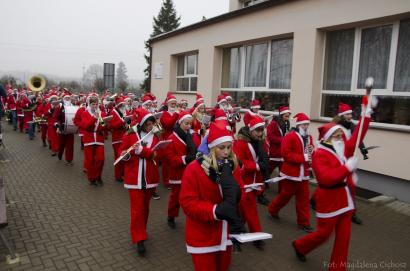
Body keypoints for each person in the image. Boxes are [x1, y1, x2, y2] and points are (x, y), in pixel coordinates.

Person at [292, 112, 371, 270]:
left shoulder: (341, 147)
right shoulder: (319, 154)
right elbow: (325, 178)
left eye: (341, 135)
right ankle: (300, 246)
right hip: (328, 199)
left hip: (344, 200)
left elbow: (357, 136)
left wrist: (366, 115)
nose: (341, 138)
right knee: (323, 235)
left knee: (344, 239)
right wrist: (347, 168)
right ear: (327, 138)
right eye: (336, 135)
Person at [180, 121, 245, 271]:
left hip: (226, 234)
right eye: (221, 148)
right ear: (212, 147)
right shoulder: (193, 169)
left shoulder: (232, 167)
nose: (226, 152)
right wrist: (215, 210)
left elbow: (242, 193)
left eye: (229, 147)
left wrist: (235, 195)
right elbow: (188, 203)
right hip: (203, 236)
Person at [120, 108, 160, 255]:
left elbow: (156, 155)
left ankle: (141, 230)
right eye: (148, 124)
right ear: (142, 124)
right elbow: (123, 152)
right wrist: (125, 155)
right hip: (134, 178)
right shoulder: (130, 135)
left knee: (145, 208)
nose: (151, 126)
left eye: (152, 123)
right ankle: (139, 239)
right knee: (137, 210)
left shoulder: (155, 136)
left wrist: (141, 151)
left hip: (150, 178)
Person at [268, 113, 314, 233]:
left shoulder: (309, 138)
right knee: (285, 196)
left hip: (304, 174)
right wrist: (303, 157)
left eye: (307, 124)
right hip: (291, 174)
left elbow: (311, 151)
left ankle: (304, 222)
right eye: (304, 124)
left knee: (303, 200)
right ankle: (273, 209)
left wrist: (312, 151)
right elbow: (286, 154)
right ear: (298, 125)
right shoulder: (290, 136)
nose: (306, 126)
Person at [233, 115, 269, 249]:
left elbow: (263, 157)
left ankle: (236, 230)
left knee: (243, 211)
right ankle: (257, 237)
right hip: (244, 183)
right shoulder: (240, 143)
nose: (260, 133)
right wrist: (257, 166)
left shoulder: (259, 141)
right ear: (251, 130)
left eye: (262, 130)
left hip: (254, 181)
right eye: (258, 130)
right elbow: (238, 162)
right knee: (251, 211)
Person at [332, 102, 367, 225]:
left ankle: (352, 213)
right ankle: (316, 200)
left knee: (351, 187)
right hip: (337, 161)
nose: (350, 116)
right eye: (347, 114)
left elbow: (358, 139)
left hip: (349, 162)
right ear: (342, 115)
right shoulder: (335, 128)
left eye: (351, 114)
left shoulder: (352, 126)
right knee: (333, 185)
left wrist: (362, 149)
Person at [164, 111, 197, 229]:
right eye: (186, 123)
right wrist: (185, 159)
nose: (188, 126)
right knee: (175, 197)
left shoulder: (190, 135)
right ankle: (171, 216)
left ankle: (193, 217)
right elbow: (171, 158)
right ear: (180, 122)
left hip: (190, 172)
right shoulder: (171, 138)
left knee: (191, 197)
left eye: (190, 124)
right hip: (178, 173)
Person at [79, 95, 107, 185]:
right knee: (90, 160)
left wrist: (103, 122)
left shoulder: (101, 113)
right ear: (89, 104)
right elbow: (86, 126)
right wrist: (94, 117)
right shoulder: (85, 113)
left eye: (96, 104)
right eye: (93, 104)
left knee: (101, 159)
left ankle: (98, 176)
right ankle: (92, 178)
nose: (95, 106)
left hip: (99, 138)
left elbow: (103, 125)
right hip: (89, 138)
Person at [109, 96, 128, 182]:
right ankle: (118, 176)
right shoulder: (113, 112)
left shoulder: (125, 112)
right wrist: (123, 121)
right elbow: (113, 125)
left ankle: (124, 174)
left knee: (125, 157)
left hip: (125, 138)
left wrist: (128, 124)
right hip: (117, 138)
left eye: (123, 105)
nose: (122, 106)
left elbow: (128, 122)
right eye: (121, 105)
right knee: (118, 157)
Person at [54, 94, 75, 165]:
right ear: (63, 99)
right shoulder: (59, 106)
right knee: (61, 144)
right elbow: (55, 116)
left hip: (70, 129)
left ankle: (69, 160)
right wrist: (56, 124)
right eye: (66, 98)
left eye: (68, 98)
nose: (67, 99)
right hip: (61, 128)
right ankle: (60, 155)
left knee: (70, 145)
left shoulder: (73, 106)